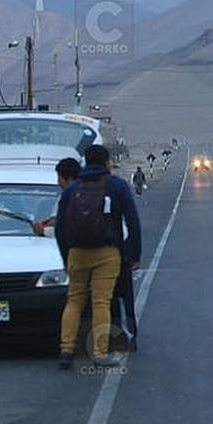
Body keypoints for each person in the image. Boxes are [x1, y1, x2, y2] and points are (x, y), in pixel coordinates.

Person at [55, 145, 141, 369]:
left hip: (77, 253)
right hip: (107, 253)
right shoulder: (117, 186)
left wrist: (67, 256)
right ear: (107, 162)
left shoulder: (72, 188)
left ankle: (66, 350)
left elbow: (60, 228)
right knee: (101, 301)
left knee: (74, 300)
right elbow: (132, 221)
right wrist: (134, 254)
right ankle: (100, 352)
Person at [33, 158, 81, 236]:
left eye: (59, 178)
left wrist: (44, 231)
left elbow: (65, 230)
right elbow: (55, 220)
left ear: (69, 179)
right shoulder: (91, 193)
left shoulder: (68, 197)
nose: (58, 182)